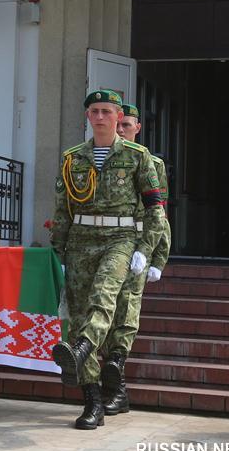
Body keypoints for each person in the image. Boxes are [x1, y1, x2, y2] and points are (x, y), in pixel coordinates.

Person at [49, 90, 165, 430]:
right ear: (88, 117)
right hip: (81, 241)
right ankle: (92, 401)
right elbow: (62, 210)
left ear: (118, 117)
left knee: (104, 296)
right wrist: (59, 252)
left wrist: (146, 249)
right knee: (79, 312)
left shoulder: (137, 156)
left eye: (106, 111)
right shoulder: (72, 158)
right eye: (94, 111)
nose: (99, 117)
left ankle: (85, 347)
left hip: (121, 238)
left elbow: (155, 210)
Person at [100, 104, 171, 416]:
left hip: (138, 247)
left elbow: (160, 214)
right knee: (103, 309)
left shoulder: (150, 162)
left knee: (126, 310)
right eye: (119, 125)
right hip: (108, 243)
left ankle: (116, 386)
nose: (121, 130)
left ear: (137, 128)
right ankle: (114, 388)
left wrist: (157, 256)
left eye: (126, 125)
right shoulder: (100, 158)